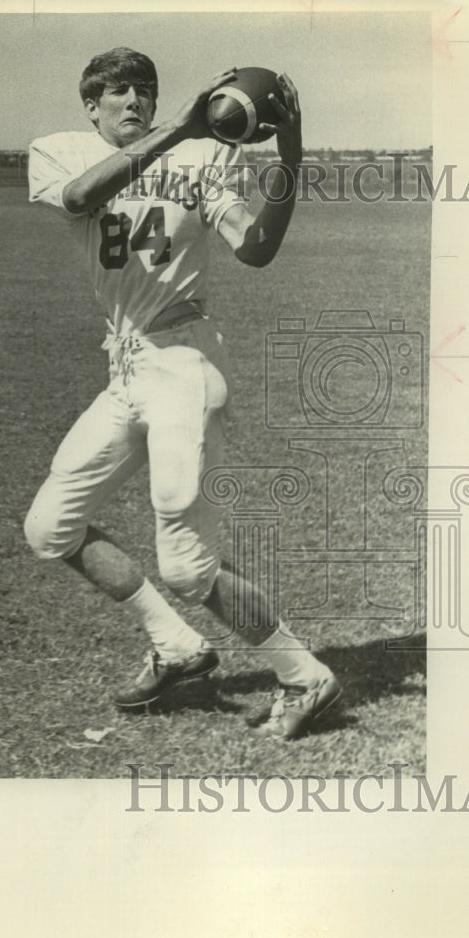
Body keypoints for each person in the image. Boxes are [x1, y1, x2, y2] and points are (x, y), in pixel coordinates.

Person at [24, 47, 340, 739]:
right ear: (92, 106)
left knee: (186, 564)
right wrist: (178, 127)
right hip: (127, 370)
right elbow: (82, 198)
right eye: (119, 92)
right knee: (49, 528)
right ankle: (178, 646)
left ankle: (304, 674)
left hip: (184, 365)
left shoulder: (203, 157)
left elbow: (255, 247)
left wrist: (288, 151)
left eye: (146, 90)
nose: (135, 100)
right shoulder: (59, 150)